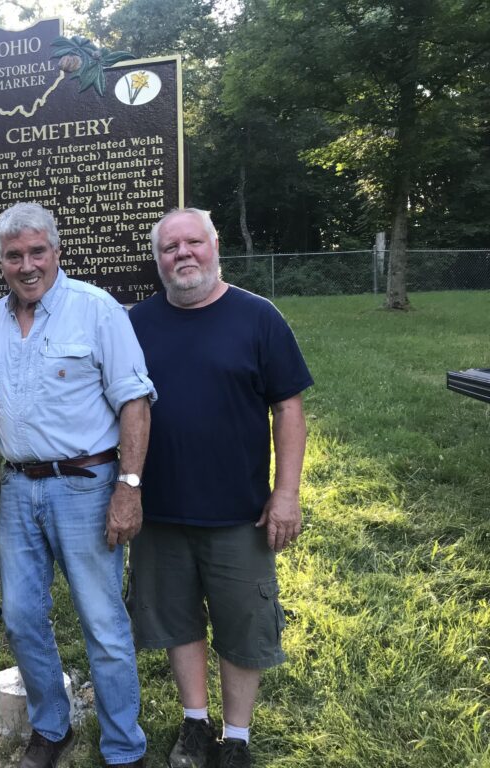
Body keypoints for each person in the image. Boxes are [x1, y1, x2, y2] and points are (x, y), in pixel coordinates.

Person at [127, 208, 313, 768]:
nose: (182, 254)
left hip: (240, 512)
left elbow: (289, 408)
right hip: (159, 510)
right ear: (157, 259)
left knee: (242, 624)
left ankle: (236, 737)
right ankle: (194, 723)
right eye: (169, 247)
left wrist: (286, 494)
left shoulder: (259, 318)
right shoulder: (136, 322)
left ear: (214, 247)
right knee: (175, 620)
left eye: (193, 243)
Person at [0, 202, 156, 768]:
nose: (26, 265)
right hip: (16, 489)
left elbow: (134, 401)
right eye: (14, 255)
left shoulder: (96, 310)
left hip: (86, 485)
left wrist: (128, 486)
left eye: (36, 252)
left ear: (56, 252)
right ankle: (51, 726)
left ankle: (124, 746)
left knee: (101, 620)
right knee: (23, 615)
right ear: (0, 261)